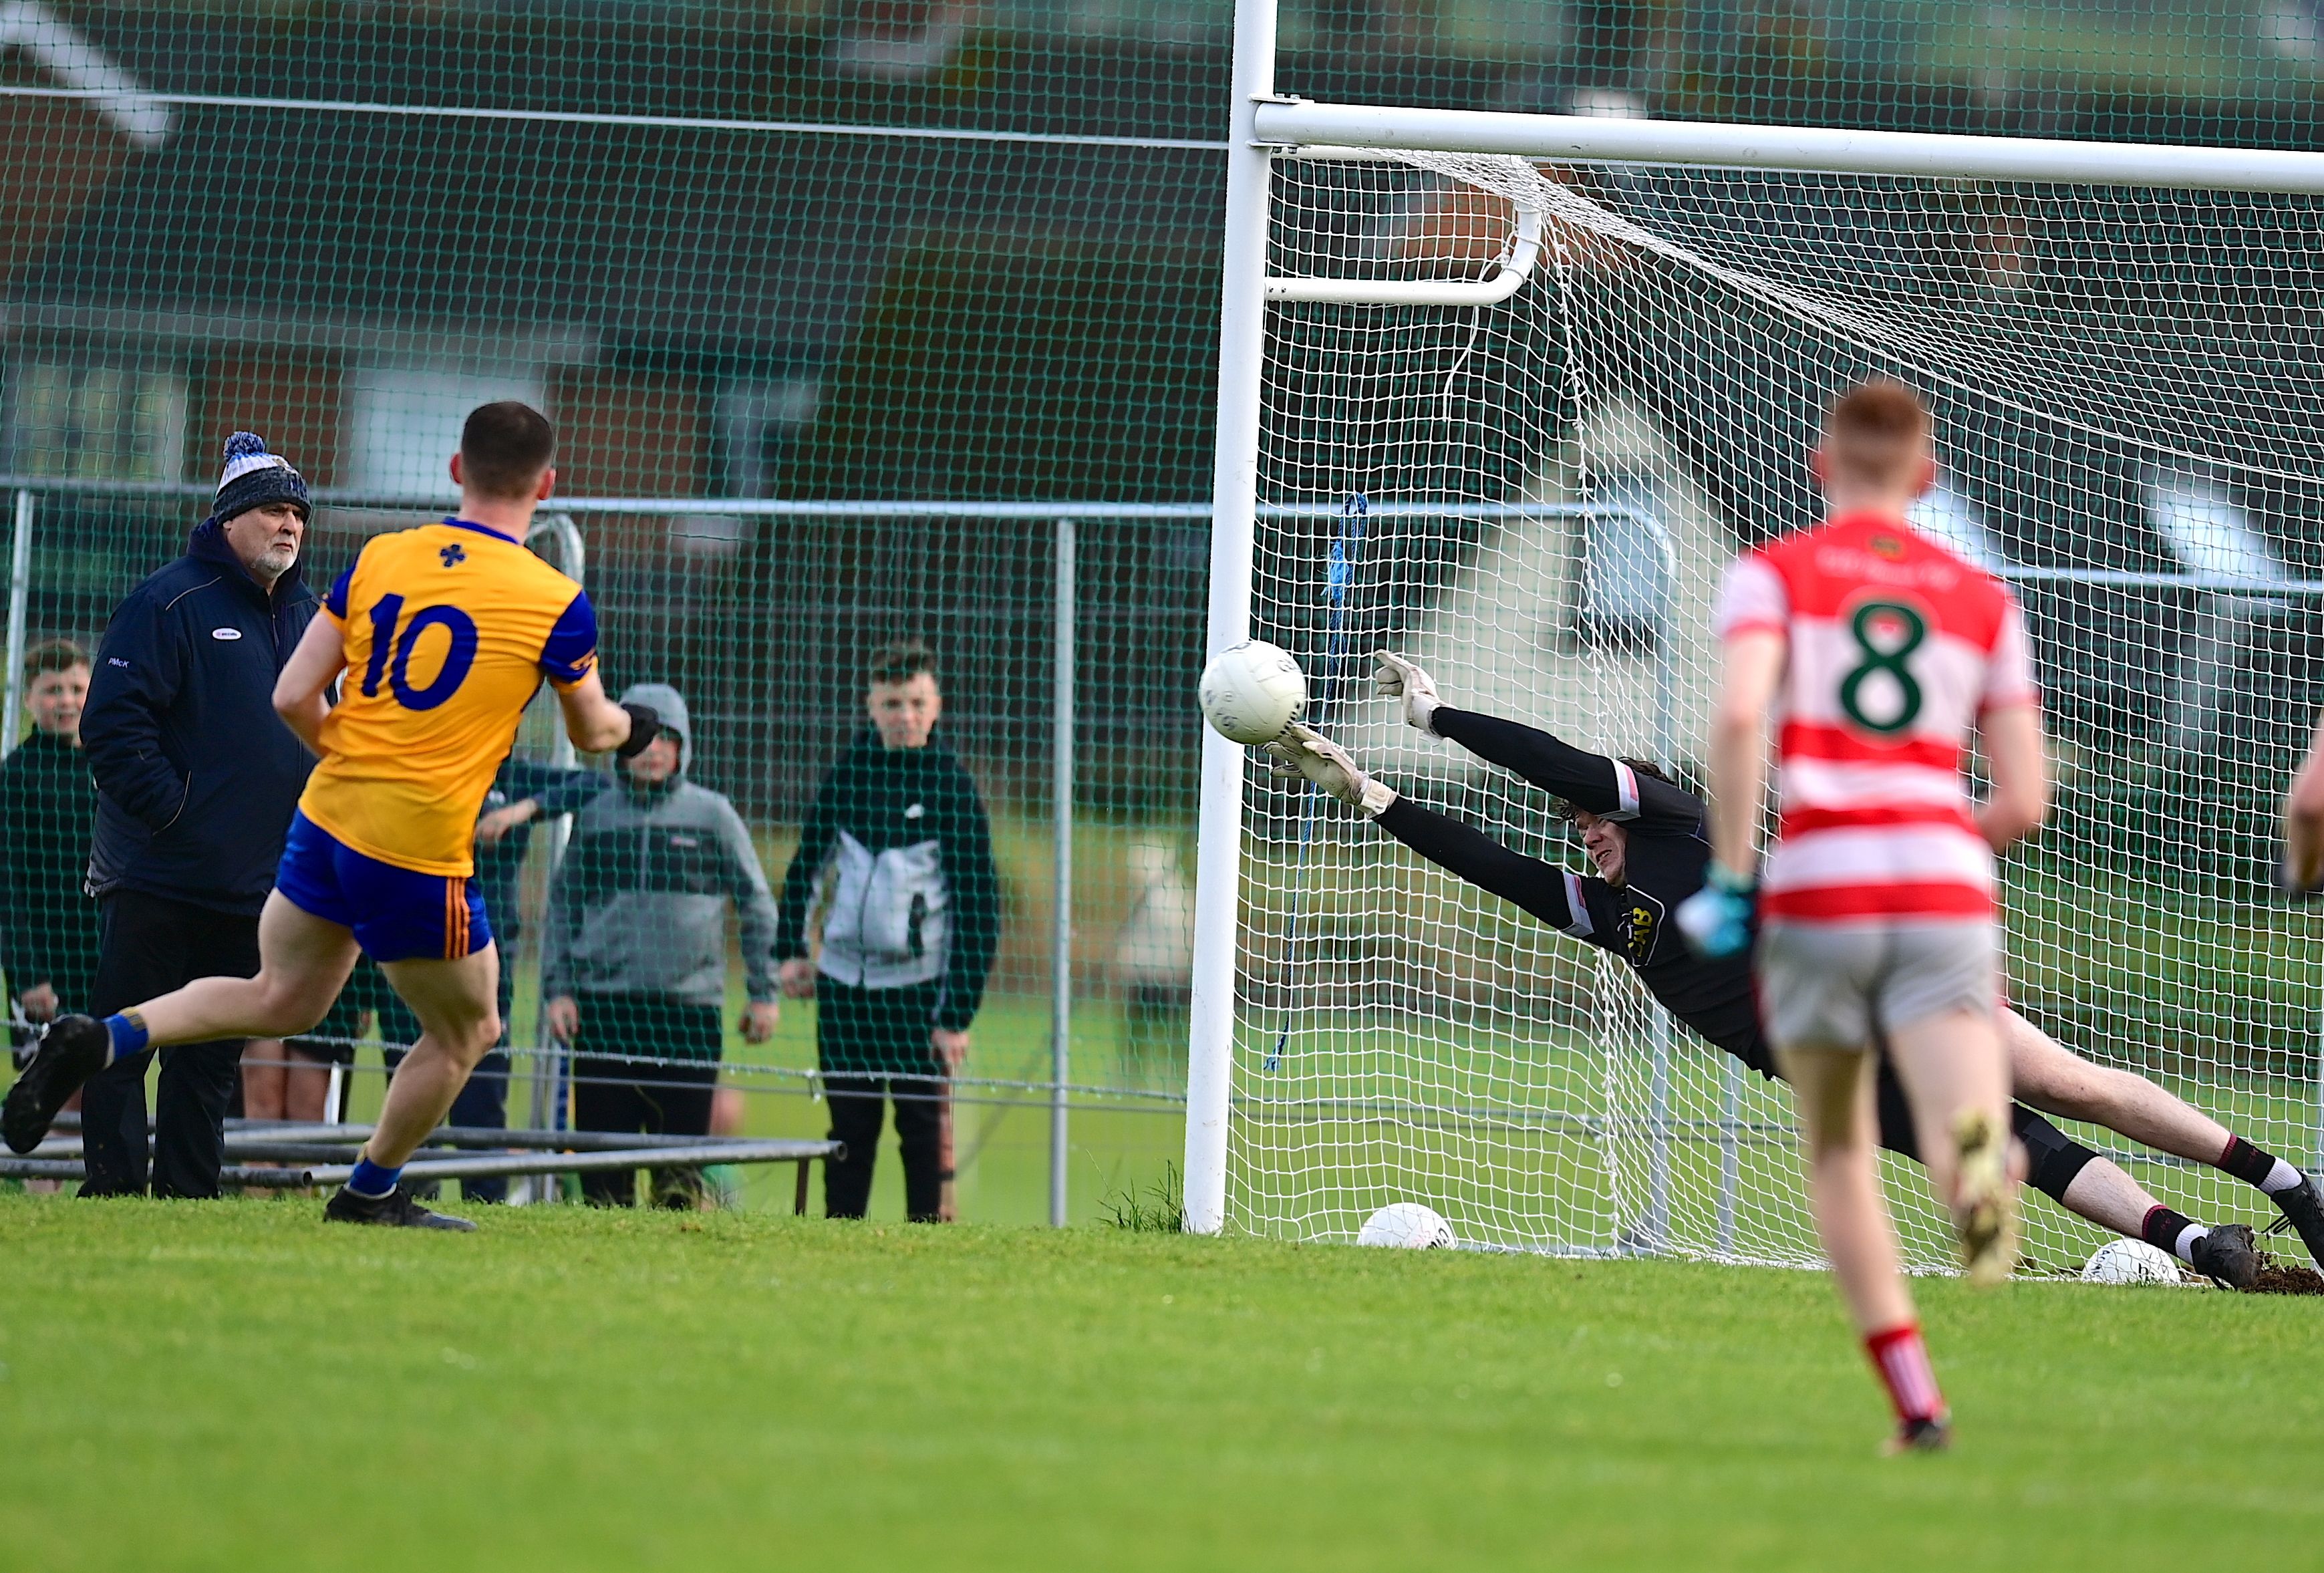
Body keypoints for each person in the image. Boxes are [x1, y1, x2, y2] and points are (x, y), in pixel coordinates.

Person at [1268, 661, 2324, 1288]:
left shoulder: (1676, 817)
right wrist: (1372, 797)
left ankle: (2283, 1184)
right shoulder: (1610, 914)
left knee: (2063, 1088)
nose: (1582, 828)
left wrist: (1436, 721)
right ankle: (2197, 1239)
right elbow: (1494, 866)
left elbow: (1562, 761)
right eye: (1576, 826)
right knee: (2024, 1145)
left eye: (1590, 817)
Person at [3, 402, 658, 1232]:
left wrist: (353, 760)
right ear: (548, 485)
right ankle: (370, 1189)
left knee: (278, 997)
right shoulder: (554, 596)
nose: (289, 523)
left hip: (323, 821)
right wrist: (638, 724)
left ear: (456, 472)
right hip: (414, 839)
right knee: (472, 1027)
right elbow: (593, 730)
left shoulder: (384, 557)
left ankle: (105, 1038)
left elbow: (290, 696)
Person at [1686, 379, 2043, 1451]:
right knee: (1962, 1125)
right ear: (1926, 477)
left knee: (1839, 1149)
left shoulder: (1772, 573)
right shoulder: (1983, 598)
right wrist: (1932, 844)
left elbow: (1742, 711)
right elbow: (2025, 799)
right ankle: (1982, 1176)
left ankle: (1915, 1404)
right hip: (1942, 883)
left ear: (1817, 465)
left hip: (1819, 886)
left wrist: (1734, 873)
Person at [62, 435, 317, 1197]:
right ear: (232, 518)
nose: (290, 526)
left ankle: (187, 1197)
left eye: (299, 514)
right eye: (274, 509)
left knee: (207, 1061)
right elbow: (111, 723)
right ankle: (109, 1189)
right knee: (123, 1046)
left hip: (256, 888)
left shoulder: (308, 614)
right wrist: (175, 812)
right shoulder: (167, 600)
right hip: (160, 877)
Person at [775, 639, 998, 1222]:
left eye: (917, 703)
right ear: (872, 707)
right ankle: (839, 1238)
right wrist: (792, 953)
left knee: (922, 1127)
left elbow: (979, 909)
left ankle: (923, 1242)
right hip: (844, 986)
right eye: (894, 703)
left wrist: (956, 1016)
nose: (906, 716)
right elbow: (807, 865)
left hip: (918, 991)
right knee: (850, 1124)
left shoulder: (953, 788)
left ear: (937, 706)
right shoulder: (848, 775)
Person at [540, 682, 779, 1207]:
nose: (651, 751)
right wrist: (559, 990)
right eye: (640, 740)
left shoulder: (713, 817)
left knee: (679, 1176)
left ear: (683, 747)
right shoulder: (597, 815)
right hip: (604, 1013)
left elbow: (758, 904)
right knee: (603, 1179)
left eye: (664, 739)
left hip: (687, 1017)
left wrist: (764, 992)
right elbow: (563, 905)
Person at [2, 639, 102, 1173]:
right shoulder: (16, 776)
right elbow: (8, 884)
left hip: (102, 952)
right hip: (44, 960)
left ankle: (99, 1173)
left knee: (101, 1077)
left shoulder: (110, 766)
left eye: (75, 688)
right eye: (52, 691)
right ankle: (43, 1184)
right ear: (28, 700)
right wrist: (26, 974)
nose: (65, 701)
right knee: (48, 1082)